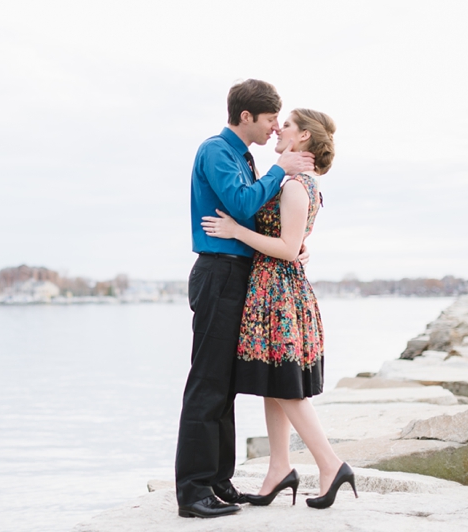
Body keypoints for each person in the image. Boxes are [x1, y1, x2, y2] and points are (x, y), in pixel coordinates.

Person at [201, 108, 357, 509]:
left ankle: (330, 464)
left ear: (303, 137)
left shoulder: (294, 186)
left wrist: (237, 231)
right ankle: (279, 468)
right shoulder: (296, 182)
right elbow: (296, 242)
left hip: (279, 294)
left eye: (285, 124)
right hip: (274, 290)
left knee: (286, 387)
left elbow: (287, 248)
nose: (278, 129)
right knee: (273, 384)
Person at [176, 79, 315, 519]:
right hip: (218, 274)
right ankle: (193, 491)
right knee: (208, 382)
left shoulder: (243, 156)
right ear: (246, 117)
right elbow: (241, 204)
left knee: (226, 386)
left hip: (239, 275)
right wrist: (280, 170)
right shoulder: (217, 150)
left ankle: (218, 480)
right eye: (271, 118)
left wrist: (294, 246)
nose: (276, 127)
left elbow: (256, 216)